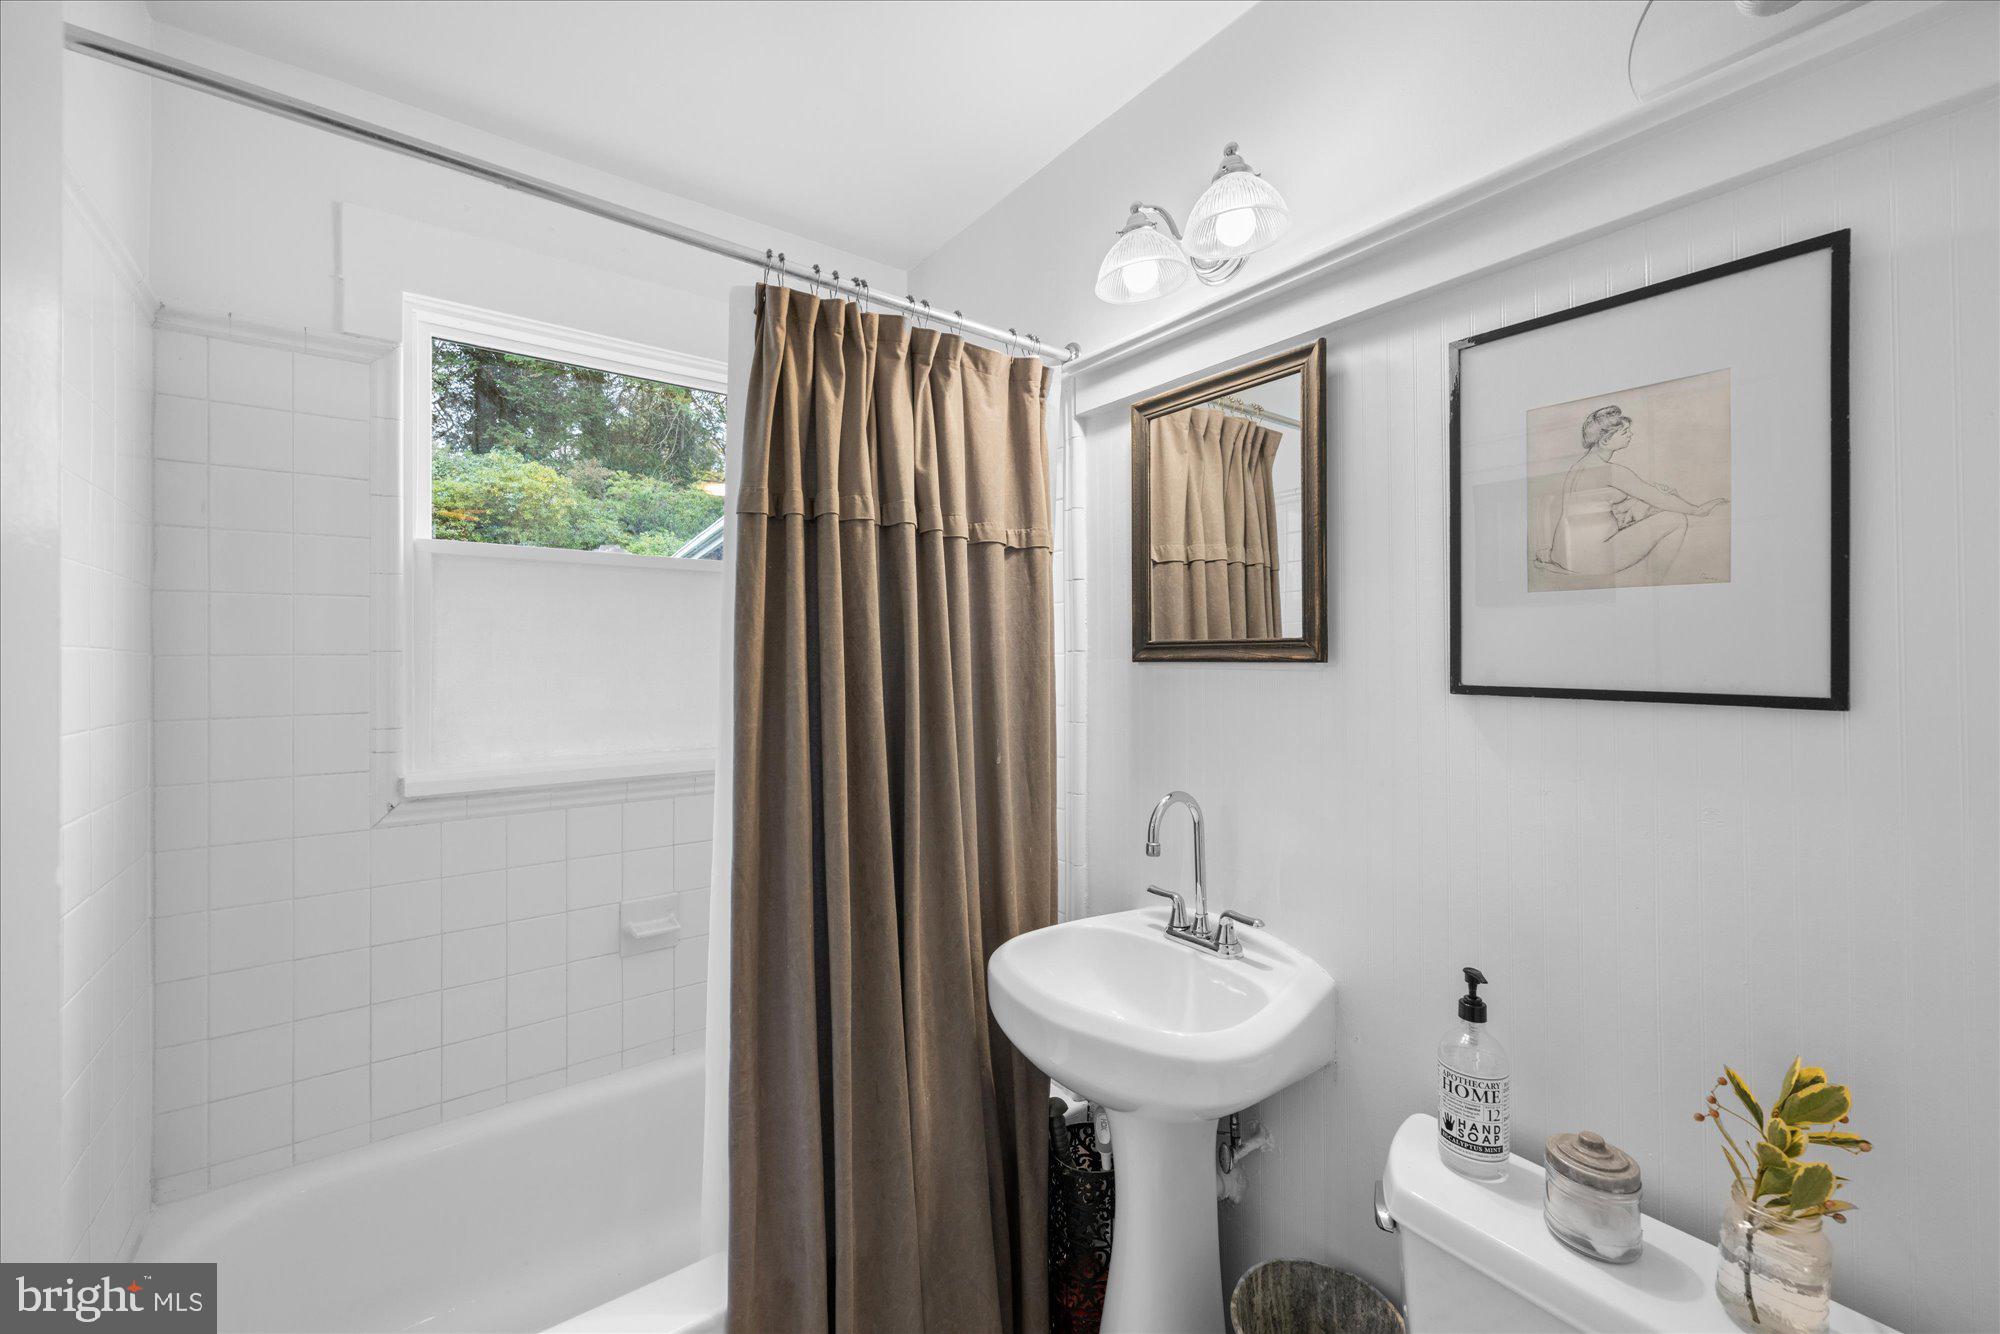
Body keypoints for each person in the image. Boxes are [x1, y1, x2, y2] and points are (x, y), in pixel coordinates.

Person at [1535, 404, 1725, 582]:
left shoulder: (1578, 467)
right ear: (1606, 440)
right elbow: (1658, 499)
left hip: (1562, 554)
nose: (1630, 434)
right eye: (1625, 432)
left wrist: (1640, 496)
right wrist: (1697, 510)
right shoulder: (1611, 471)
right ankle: (1660, 581)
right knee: (1676, 520)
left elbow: (1598, 503)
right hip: (1590, 560)